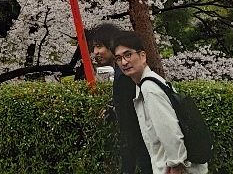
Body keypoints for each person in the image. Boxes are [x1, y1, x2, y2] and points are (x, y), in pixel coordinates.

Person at [112, 30, 208, 174]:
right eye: (119, 58)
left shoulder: (149, 88)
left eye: (128, 55)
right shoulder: (150, 82)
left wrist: (176, 164)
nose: (124, 62)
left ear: (142, 56)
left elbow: (169, 129)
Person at [89, 23, 152, 174]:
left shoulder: (124, 77)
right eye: (94, 47)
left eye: (99, 46)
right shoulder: (123, 73)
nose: (95, 52)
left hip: (141, 147)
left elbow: (129, 122)